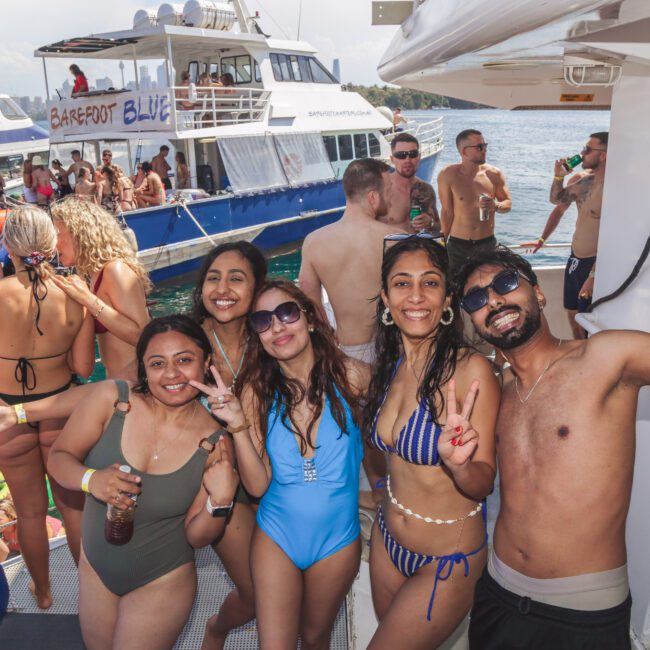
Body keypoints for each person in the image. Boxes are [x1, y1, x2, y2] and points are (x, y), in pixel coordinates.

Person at [453, 247, 650, 650]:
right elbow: (478, 484)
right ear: (472, 320)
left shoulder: (606, 356)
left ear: (538, 294)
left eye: (505, 283)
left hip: (585, 611)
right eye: (475, 299)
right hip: (499, 592)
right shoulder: (491, 391)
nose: (492, 300)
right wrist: (457, 465)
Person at [47, 315, 240, 649]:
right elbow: (59, 457)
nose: (171, 374)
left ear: (206, 363)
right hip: (95, 571)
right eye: (157, 363)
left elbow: (197, 537)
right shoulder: (111, 400)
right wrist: (91, 480)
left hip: (161, 583)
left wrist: (218, 503)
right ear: (143, 368)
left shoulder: (216, 442)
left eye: (184, 360)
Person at [193, 279, 366, 649]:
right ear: (258, 335)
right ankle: (215, 628)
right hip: (278, 537)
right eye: (263, 321)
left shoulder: (353, 377)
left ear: (310, 319)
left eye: (287, 313)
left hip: (338, 540)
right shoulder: (257, 389)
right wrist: (237, 424)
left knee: (317, 637)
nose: (277, 327)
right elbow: (256, 487)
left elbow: (396, 429)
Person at [364, 235, 498, 648]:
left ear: (447, 299)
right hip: (387, 541)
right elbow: (382, 454)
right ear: (386, 298)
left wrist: (459, 464)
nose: (416, 296)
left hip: (445, 560)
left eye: (430, 282)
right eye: (402, 283)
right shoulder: (390, 364)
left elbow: (482, 483)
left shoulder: (471, 371)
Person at [0, 206, 95, 608]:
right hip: (58, 410)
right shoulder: (75, 295)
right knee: (73, 511)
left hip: (7, 416)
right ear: (52, 243)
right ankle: (92, 592)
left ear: (8, 246)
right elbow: (83, 368)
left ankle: (43, 593)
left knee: (29, 512)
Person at [192, 241, 267, 649]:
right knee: (256, 593)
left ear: (257, 288)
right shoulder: (188, 344)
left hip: (276, 478)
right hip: (224, 484)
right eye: (213, 278)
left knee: (285, 582)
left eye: (237, 278)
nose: (222, 288)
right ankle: (217, 629)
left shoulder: (272, 337)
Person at [299, 158, 400, 364]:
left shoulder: (313, 242)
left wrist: (329, 339)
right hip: (393, 346)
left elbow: (310, 303)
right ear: (373, 197)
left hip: (347, 351)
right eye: (389, 190)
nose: (392, 198)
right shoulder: (394, 240)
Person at [50, 198, 151, 380]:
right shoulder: (95, 275)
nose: (54, 244)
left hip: (137, 389)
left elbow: (143, 336)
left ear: (79, 234)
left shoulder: (115, 270)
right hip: (118, 388)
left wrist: (87, 299)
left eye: (57, 234)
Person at [522, 132, 608, 339]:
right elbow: (556, 201)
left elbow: (615, 237)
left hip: (596, 263)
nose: (582, 153)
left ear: (604, 155)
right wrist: (558, 175)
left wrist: (594, 276)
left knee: (591, 318)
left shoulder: (615, 188)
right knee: (573, 314)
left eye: (588, 149)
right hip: (576, 258)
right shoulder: (585, 182)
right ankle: (582, 355)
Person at [438, 129, 512, 275]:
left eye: (485, 145)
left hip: (486, 244)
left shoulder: (494, 174)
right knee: (455, 289)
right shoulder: (448, 175)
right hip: (458, 246)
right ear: (464, 151)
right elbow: (447, 212)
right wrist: (441, 243)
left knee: (487, 290)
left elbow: (508, 204)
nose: (484, 150)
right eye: (479, 147)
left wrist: (496, 206)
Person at [381, 133, 440, 233]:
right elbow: (363, 228)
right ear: (392, 159)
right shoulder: (380, 190)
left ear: (419, 157)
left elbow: (438, 226)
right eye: (401, 155)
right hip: (390, 247)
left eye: (412, 154)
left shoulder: (426, 190)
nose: (407, 160)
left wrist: (430, 223)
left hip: (418, 247)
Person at [0, 497, 66, 562]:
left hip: (55, 536)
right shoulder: (4, 532)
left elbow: (46, 530)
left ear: (11, 517)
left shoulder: (22, 527)